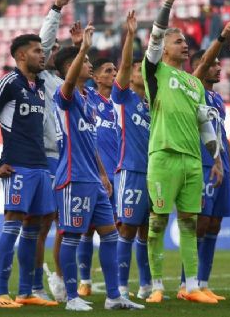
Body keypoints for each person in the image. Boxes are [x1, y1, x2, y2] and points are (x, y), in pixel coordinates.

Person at [141, 0, 222, 304]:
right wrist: (168, 2)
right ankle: (156, 285)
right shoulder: (155, 71)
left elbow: (205, 124)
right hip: (163, 154)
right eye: (179, 41)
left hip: (192, 161)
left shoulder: (195, 84)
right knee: (158, 222)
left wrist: (215, 157)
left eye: (186, 42)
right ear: (164, 49)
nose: (185, 45)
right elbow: (156, 36)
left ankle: (191, 287)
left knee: (189, 223)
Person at [52, 25, 142, 311]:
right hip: (73, 176)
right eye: (86, 62)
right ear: (71, 67)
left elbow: (91, 142)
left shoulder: (90, 99)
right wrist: (82, 49)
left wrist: (103, 173)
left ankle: (114, 296)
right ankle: (71, 297)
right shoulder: (64, 95)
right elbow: (68, 83)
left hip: (94, 177)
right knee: (73, 235)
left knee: (110, 235)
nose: (90, 66)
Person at [0, 34, 58, 308]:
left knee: (33, 229)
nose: (42, 55)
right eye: (37, 51)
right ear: (21, 55)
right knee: (12, 225)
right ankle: (1, 293)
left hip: (40, 165)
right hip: (18, 166)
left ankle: (26, 292)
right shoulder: (8, 83)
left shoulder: (41, 85)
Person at [178, 21, 230, 301]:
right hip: (201, 166)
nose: (219, 68)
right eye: (214, 64)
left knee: (215, 225)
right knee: (200, 224)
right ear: (202, 68)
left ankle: (203, 283)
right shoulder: (192, 91)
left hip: (221, 167)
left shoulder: (218, 100)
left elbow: (223, 136)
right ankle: (186, 284)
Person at [36, 0, 74, 303]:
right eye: (48, 50)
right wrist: (57, 8)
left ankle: (61, 277)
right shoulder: (37, 79)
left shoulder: (62, 84)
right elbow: (44, 43)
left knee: (65, 223)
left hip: (66, 158)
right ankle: (35, 283)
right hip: (43, 157)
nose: (51, 52)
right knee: (43, 222)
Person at [112, 11, 153, 300]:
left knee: (146, 229)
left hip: (155, 172)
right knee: (127, 227)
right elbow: (125, 64)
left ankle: (148, 285)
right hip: (130, 169)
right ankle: (122, 286)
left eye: (142, 69)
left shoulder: (155, 105)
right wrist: (130, 35)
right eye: (135, 69)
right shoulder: (124, 97)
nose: (137, 70)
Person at [75, 56, 119, 297]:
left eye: (115, 70)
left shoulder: (121, 103)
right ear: (96, 77)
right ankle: (85, 281)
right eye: (108, 70)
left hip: (118, 176)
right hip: (93, 175)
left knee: (113, 231)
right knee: (87, 231)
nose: (113, 74)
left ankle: (118, 285)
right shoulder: (89, 97)